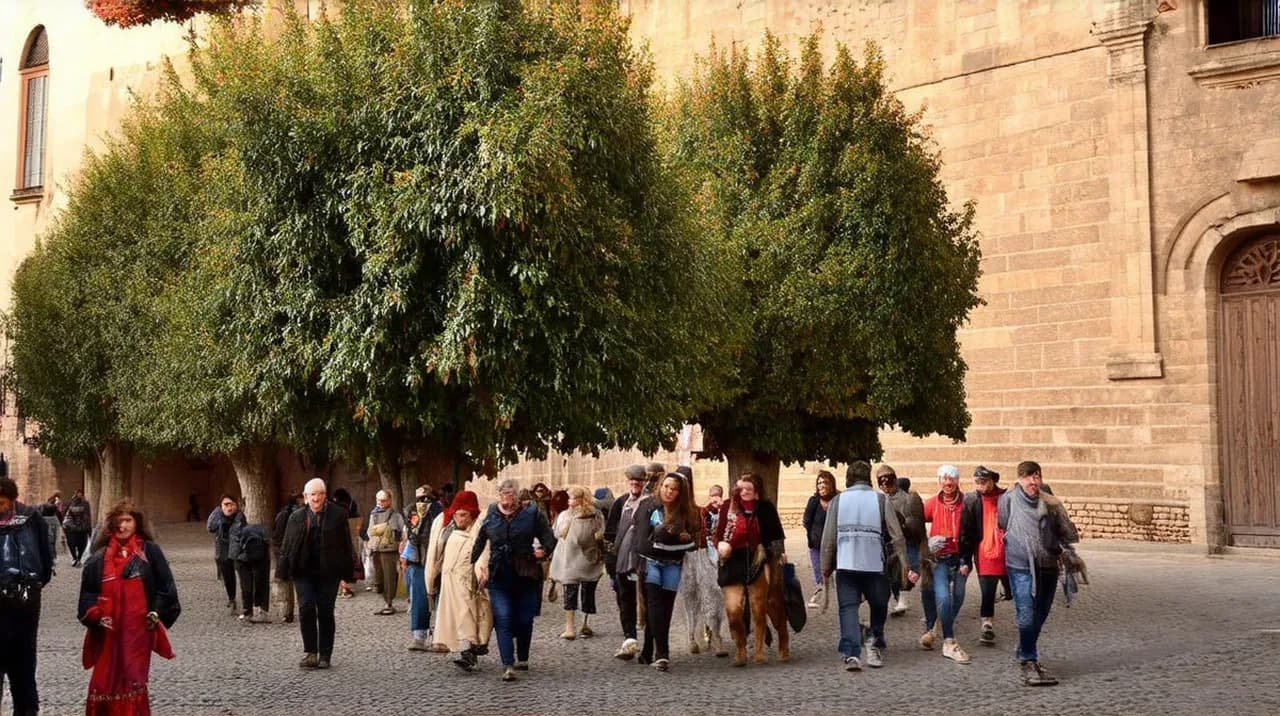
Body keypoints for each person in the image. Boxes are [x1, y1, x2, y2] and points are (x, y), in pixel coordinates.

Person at [78, 499, 180, 715]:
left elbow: (166, 587)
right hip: (108, 633)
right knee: (103, 681)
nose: (122, 526)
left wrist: (156, 612)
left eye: (128, 521)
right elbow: (88, 594)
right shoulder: (98, 557)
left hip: (137, 631)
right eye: (119, 521)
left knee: (132, 678)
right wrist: (95, 616)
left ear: (137, 523)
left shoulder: (150, 552)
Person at [820, 461, 915, 672]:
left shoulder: (837, 501)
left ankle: (852, 655)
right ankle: (874, 639)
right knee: (879, 604)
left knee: (848, 608)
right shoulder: (880, 500)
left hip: (846, 563)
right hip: (874, 564)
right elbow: (897, 534)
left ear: (848, 478)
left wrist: (825, 567)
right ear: (868, 477)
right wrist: (904, 562)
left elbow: (828, 539)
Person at [998, 461, 1079, 686]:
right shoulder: (1008, 499)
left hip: (1048, 565)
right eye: (1028, 477)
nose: (1033, 481)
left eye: (1036, 477)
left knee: (1040, 613)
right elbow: (1003, 523)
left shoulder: (1050, 500)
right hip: (1020, 565)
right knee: (1026, 613)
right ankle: (1028, 660)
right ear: (1020, 479)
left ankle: (1024, 648)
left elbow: (1063, 529)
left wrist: (1067, 551)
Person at [471, 478, 558, 682]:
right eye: (503, 493)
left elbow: (549, 539)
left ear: (517, 496)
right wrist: (473, 567)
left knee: (525, 619)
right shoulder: (492, 514)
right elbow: (479, 542)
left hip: (526, 573)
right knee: (503, 617)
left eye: (510, 493)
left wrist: (543, 552)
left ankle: (523, 657)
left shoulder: (531, 514)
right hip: (499, 574)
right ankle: (508, 665)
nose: (507, 497)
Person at [277, 478, 357, 670]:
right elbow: (287, 546)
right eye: (312, 494)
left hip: (329, 571)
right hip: (303, 571)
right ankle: (311, 652)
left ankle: (325, 654)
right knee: (306, 608)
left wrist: (348, 574)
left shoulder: (338, 515)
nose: (316, 498)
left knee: (325, 611)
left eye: (320, 494)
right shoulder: (296, 517)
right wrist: (283, 572)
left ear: (325, 496)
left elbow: (345, 545)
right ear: (306, 497)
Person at [714, 472, 790, 666]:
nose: (744, 492)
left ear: (756, 491)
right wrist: (720, 546)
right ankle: (740, 647)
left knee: (762, 606)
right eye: (741, 488)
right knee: (733, 609)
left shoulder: (765, 508)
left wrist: (779, 555)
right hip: (732, 561)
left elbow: (776, 534)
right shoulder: (728, 506)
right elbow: (718, 533)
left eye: (748, 488)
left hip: (759, 559)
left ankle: (765, 647)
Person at [633, 472, 700, 671]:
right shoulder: (648, 506)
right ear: (660, 486)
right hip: (651, 562)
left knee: (665, 608)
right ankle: (662, 653)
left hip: (673, 563)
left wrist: (676, 540)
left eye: (674, 489)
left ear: (680, 492)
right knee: (654, 605)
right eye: (666, 487)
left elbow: (693, 541)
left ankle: (648, 650)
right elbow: (642, 542)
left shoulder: (685, 512)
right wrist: (670, 540)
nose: (669, 491)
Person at [0, 476, 53, 716]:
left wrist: (33, 584)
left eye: (1, 503)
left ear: (12, 500)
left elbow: (45, 557)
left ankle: (26, 709)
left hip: (24, 606)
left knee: (23, 665)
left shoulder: (31, 519)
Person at [426, 490, 492, 671]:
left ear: (471, 514)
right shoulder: (446, 526)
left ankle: (470, 651)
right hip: (448, 579)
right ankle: (466, 650)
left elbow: (482, 552)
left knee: (469, 614)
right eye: (457, 515)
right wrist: (431, 579)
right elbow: (435, 553)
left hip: (467, 579)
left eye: (463, 515)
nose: (459, 519)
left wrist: (481, 573)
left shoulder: (478, 528)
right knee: (454, 615)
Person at [922, 464, 972, 664]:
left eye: (952, 479)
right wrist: (927, 543)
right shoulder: (932, 503)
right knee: (943, 596)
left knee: (958, 596)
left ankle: (936, 625)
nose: (948, 482)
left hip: (961, 557)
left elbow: (973, 532)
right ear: (939, 481)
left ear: (957, 481)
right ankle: (949, 640)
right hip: (940, 558)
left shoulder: (967, 503)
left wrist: (967, 560)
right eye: (944, 478)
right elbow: (916, 522)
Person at [603, 464, 649, 660]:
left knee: (648, 603)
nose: (635, 483)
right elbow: (610, 534)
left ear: (644, 482)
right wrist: (610, 563)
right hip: (623, 562)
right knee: (625, 600)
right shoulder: (621, 503)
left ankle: (649, 646)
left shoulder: (652, 503)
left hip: (645, 562)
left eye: (639, 480)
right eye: (632, 480)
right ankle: (630, 639)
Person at [549, 485, 605, 640]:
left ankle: (570, 627)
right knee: (588, 590)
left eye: (572, 498)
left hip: (569, 558)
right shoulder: (596, 515)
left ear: (581, 499)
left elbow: (557, 533)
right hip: (589, 558)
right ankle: (584, 624)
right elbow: (601, 533)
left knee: (570, 591)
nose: (569, 501)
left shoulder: (565, 516)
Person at [961, 465, 1008, 646]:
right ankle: (987, 625)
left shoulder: (1006, 498)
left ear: (993, 481)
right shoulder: (971, 500)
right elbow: (965, 531)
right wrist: (965, 559)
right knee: (987, 592)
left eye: (984, 481)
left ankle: (1006, 593)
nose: (980, 484)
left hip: (1008, 553)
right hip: (984, 552)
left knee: (1012, 591)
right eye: (977, 481)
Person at [876, 466, 930, 623]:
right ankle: (899, 598)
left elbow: (917, 526)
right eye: (881, 482)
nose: (885, 485)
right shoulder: (880, 500)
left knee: (910, 571)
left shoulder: (908, 499)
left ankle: (907, 599)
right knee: (890, 574)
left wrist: (906, 526)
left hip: (908, 541)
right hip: (889, 542)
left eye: (888, 481)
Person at [401, 486, 439, 650]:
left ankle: (440, 637)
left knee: (441, 599)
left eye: (427, 498)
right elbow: (410, 536)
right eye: (421, 499)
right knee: (419, 598)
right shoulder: (411, 511)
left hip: (437, 559)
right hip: (417, 560)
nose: (424, 502)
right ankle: (419, 636)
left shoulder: (439, 512)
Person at [365, 490, 406, 615]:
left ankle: (388, 602)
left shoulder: (395, 515)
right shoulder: (374, 514)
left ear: (389, 500)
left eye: (383, 500)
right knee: (380, 578)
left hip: (390, 550)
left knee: (390, 577)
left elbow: (402, 531)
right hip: (377, 549)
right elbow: (369, 531)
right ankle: (386, 600)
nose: (380, 503)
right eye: (378, 500)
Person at [802, 470, 837, 608]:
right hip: (816, 544)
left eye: (825, 482)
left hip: (835, 545)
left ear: (832, 485)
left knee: (837, 571)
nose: (821, 485)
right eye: (819, 483)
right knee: (819, 569)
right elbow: (806, 521)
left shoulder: (837, 500)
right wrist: (812, 536)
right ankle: (820, 592)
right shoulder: (814, 501)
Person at [230, 512, 272, 623]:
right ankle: (257, 610)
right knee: (257, 584)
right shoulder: (232, 520)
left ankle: (251, 611)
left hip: (247, 557)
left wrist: (235, 557)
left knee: (250, 585)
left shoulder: (236, 522)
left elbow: (234, 543)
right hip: (257, 556)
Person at [206, 495, 245, 611]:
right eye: (226, 504)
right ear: (221, 506)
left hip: (238, 550)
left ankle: (247, 603)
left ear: (236, 505)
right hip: (223, 550)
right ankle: (231, 598)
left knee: (244, 577)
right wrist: (220, 518)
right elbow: (210, 527)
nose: (229, 507)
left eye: (231, 504)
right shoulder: (218, 515)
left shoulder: (240, 516)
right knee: (228, 577)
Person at [272, 493, 304, 623]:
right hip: (287, 552)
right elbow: (278, 536)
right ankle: (288, 612)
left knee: (296, 584)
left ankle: (292, 612)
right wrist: (282, 552)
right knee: (288, 584)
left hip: (297, 552)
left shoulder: (305, 514)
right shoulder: (286, 515)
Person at [330, 488, 360, 598]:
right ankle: (344, 587)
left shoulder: (331, 507)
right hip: (346, 539)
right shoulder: (350, 506)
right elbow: (355, 518)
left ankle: (342, 587)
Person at [63, 489, 94, 568]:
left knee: (79, 544)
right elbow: (67, 515)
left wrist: (88, 528)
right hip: (74, 529)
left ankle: (77, 558)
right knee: (74, 544)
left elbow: (87, 516)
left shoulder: (85, 504)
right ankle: (76, 558)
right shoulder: (72, 503)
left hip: (80, 529)